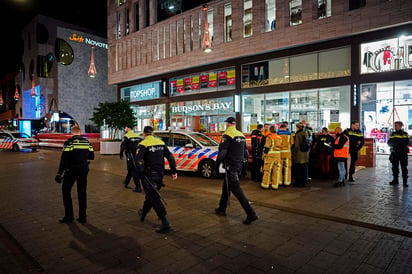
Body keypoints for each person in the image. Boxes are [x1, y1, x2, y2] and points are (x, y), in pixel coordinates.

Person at [214, 117, 258, 224]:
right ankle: (221, 208)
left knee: (237, 190)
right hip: (237, 165)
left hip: (230, 166)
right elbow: (246, 154)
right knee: (226, 186)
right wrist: (244, 168)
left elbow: (223, 152)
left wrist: (216, 166)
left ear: (228, 124)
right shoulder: (241, 135)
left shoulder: (227, 135)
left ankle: (251, 214)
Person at [136, 126, 178, 233]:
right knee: (151, 195)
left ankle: (165, 223)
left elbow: (139, 161)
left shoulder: (143, 144)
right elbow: (170, 157)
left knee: (154, 199)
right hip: (160, 175)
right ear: (152, 133)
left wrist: (141, 176)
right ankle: (143, 212)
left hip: (149, 176)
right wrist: (173, 171)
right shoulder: (161, 143)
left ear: (144, 134)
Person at [55, 126, 95, 224]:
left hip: (71, 170)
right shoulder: (87, 142)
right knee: (82, 192)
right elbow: (92, 156)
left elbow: (64, 159)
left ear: (72, 132)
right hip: (83, 170)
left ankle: (69, 216)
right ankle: (83, 216)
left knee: (66, 190)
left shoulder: (69, 142)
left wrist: (59, 173)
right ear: (79, 132)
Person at [120, 124, 142, 192]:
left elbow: (123, 145)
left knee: (133, 170)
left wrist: (121, 154)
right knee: (131, 169)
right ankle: (126, 182)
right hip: (137, 155)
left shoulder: (127, 136)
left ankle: (138, 187)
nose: (124, 129)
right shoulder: (137, 135)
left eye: (125, 128)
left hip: (130, 156)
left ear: (128, 128)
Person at [388, 121, 409, 187]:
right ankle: (395, 180)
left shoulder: (404, 134)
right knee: (394, 167)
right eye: (395, 126)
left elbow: (406, 142)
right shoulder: (393, 134)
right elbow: (389, 143)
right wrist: (395, 145)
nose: (395, 127)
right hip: (395, 153)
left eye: (396, 125)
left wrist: (396, 144)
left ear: (400, 126)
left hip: (403, 153)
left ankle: (404, 182)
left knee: (404, 168)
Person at [292, 123, 309, 187]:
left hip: (299, 154)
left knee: (298, 169)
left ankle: (299, 182)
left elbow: (296, 146)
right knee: (304, 168)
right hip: (305, 154)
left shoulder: (298, 134)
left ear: (298, 127)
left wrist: (293, 152)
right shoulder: (307, 133)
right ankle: (305, 180)